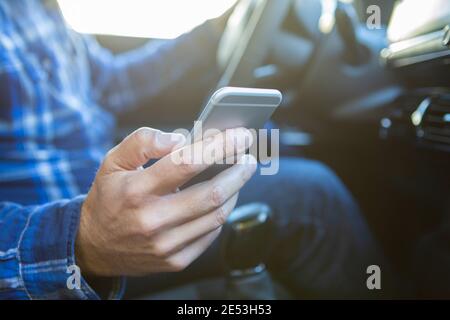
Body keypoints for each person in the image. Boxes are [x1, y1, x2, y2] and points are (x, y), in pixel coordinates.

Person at [0, 0, 390, 299]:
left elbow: (111, 83)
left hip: (101, 187)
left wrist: (216, 31)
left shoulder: (40, 10)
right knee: (313, 196)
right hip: (59, 238)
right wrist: (84, 240)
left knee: (278, 153)